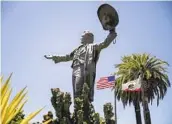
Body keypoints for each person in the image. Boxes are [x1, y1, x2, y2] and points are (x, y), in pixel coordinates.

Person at [44, 29, 117, 102]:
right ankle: (77, 106)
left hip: (84, 69)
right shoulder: (78, 49)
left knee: (79, 87)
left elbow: (105, 43)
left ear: (87, 37)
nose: (81, 38)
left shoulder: (93, 46)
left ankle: (84, 105)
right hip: (75, 69)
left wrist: (112, 33)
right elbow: (68, 56)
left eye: (82, 36)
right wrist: (54, 56)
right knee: (76, 89)